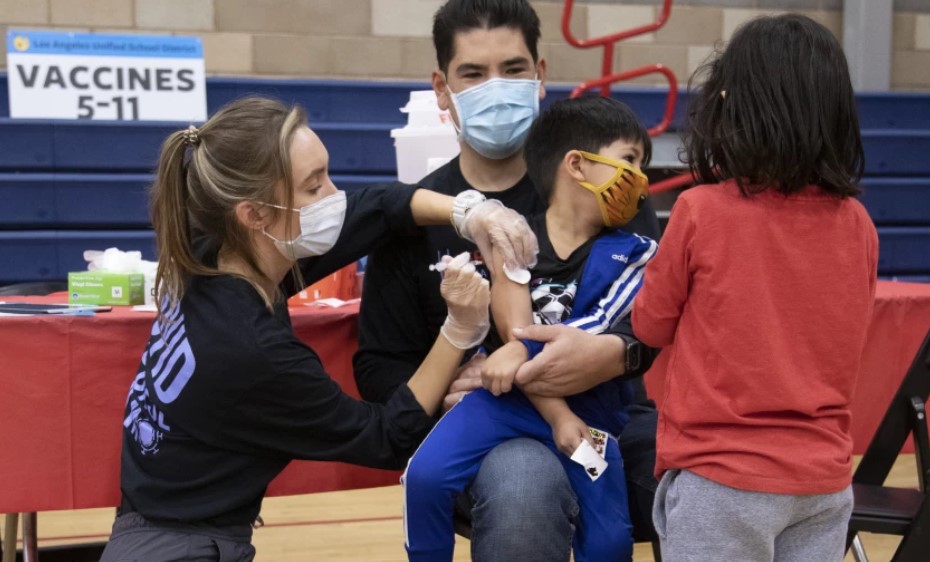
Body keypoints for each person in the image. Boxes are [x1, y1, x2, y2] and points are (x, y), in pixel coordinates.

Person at [100, 96, 537, 562]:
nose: (333, 197)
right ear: (253, 214)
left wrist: (468, 211)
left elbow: (378, 207)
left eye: (327, 173)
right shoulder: (252, 349)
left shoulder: (209, 252)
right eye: (313, 187)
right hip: (183, 547)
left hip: (153, 524)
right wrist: (457, 330)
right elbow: (386, 437)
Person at [354, 1, 663, 558]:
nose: (496, 87)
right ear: (442, 87)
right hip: (492, 431)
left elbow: (656, 319)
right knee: (524, 489)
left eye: (514, 69)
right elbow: (378, 366)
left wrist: (619, 353)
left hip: (607, 413)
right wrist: (448, 385)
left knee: (703, 477)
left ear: (540, 75)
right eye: (473, 73)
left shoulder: (609, 192)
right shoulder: (420, 215)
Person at [632, 14, 878, 562]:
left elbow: (649, 325)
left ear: (732, 105)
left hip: (721, 479)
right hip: (822, 482)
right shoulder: (857, 223)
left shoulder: (700, 210)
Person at [403, 96, 657, 562]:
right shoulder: (512, 237)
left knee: (609, 541)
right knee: (424, 477)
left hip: (594, 416)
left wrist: (521, 355)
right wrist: (552, 406)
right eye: (630, 161)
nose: (641, 180)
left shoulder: (639, 252)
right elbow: (515, 325)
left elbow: (597, 326)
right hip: (508, 406)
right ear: (577, 165)